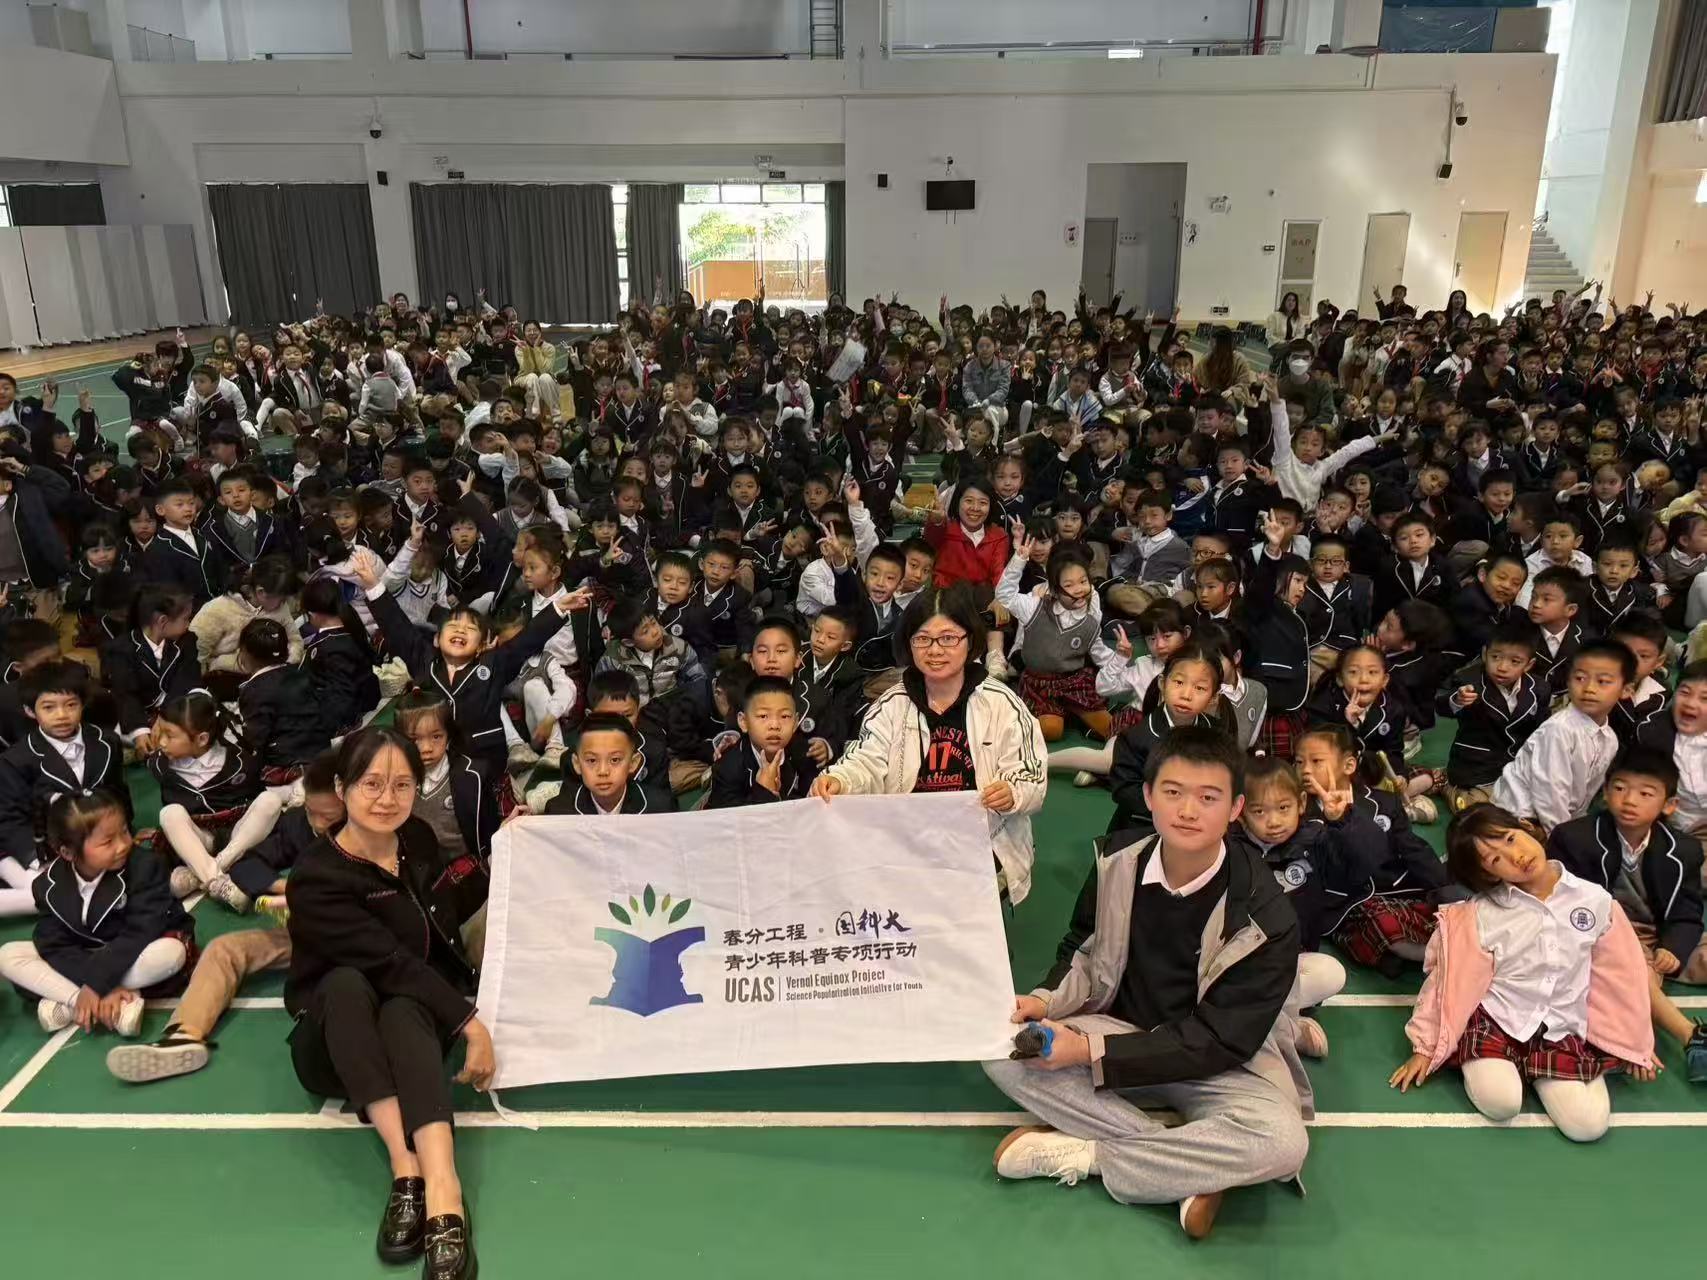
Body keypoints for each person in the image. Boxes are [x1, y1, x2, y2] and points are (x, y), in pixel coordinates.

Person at [981, 727, 1307, 1240]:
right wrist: (1044, 1002)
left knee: (1284, 1141)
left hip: (1216, 1064)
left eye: (1208, 798)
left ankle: (1090, 1155)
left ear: (1236, 808)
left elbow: (1221, 1042)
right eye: (1173, 792)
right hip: (1118, 1032)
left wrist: (1087, 1052)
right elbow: (1081, 949)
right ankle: (1184, 1167)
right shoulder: (1115, 860)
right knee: (1001, 1046)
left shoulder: (1267, 916)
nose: (1188, 810)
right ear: (1149, 795)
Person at [284, 727, 486, 1278]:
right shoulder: (316, 877)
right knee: (347, 982)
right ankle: (405, 1168)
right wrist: (471, 1023)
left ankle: (443, 1189)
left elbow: (441, 923)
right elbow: (390, 962)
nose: (386, 799)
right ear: (342, 788)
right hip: (338, 1047)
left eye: (402, 784)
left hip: (409, 1027)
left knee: (401, 1002)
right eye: (371, 783)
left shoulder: (416, 837)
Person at [1391, 804, 1659, 1142]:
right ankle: (1495, 1064)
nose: (1515, 856)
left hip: (1559, 1027)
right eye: (1495, 860)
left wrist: (1634, 1043)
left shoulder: (1595, 901)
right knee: (1501, 1103)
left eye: (1509, 839)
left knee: (1588, 1127)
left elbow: (1621, 976)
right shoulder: (1480, 914)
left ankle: (1545, 1068)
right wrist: (1426, 1046)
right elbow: (1449, 980)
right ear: (1489, 874)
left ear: (1525, 827)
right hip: (1497, 1022)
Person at [106, 755, 345, 1083]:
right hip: (310, 931)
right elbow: (248, 865)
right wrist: (288, 889)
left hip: (359, 938)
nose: (317, 823)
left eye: (328, 817)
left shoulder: (377, 833)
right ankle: (183, 1037)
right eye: (311, 812)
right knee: (223, 949)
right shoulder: (299, 826)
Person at [810, 584, 1047, 904]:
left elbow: (1031, 775)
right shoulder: (891, 704)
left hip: (983, 841)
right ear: (908, 643)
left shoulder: (1002, 703)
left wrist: (1012, 791)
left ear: (970, 640)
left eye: (948, 638)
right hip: (907, 841)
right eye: (922, 639)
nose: (935, 650)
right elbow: (866, 760)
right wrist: (840, 779)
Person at [1546, 748, 1707, 1080]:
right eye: (1619, 788)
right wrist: (1627, 947)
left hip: (1657, 936)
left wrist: (1673, 948)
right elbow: (1565, 909)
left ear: (1669, 805)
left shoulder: (1684, 850)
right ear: (1605, 793)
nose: (1630, 800)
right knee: (1635, 970)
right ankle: (1691, 1036)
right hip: (1601, 937)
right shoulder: (1573, 838)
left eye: (1646, 793)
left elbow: (1687, 911)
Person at [0, 789, 192, 1036]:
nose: (123, 844)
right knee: (8, 956)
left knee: (170, 954)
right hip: (86, 957)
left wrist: (96, 983)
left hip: (137, 950)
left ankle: (73, 1001)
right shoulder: (46, 886)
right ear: (67, 852)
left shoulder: (146, 866)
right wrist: (96, 985)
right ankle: (94, 1000)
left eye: (124, 831)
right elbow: (53, 944)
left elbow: (140, 933)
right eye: (107, 842)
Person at [1491, 641, 1631, 832]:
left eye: (1603, 681)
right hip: (1517, 815)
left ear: (1626, 689)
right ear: (1568, 681)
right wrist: (1563, 839)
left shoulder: (1610, 739)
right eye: (1580, 678)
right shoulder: (1559, 729)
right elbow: (1549, 796)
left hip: (1557, 819)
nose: (1589, 688)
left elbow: (1586, 796)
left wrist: (1575, 829)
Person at [707, 674, 821, 807]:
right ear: (743, 722)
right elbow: (726, 817)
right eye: (763, 716)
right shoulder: (727, 767)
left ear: (795, 723)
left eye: (784, 716)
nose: (775, 725)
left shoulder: (806, 754)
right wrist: (763, 792)